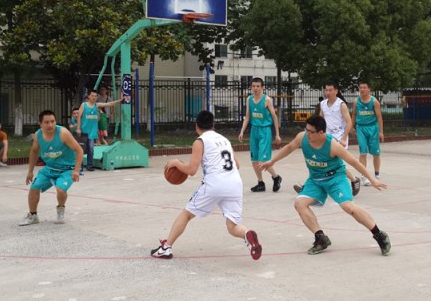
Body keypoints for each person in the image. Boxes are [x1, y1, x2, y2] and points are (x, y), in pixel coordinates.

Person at [259, 115, 391, 256]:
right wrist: (272, 162)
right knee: (299, 203)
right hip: (315, 179)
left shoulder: (333, 146)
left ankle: (379, 234)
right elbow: (289, 147)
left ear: (321, 132)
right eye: (306, 130)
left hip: (336, 178)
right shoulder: (302, 138)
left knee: (349, 207)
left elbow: (354, 162)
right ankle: (320, 238)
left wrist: (372, 179)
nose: (307, 134)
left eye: (311, 132)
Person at [151, 110, 262, 260]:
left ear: (196, 126)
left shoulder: (200, 141)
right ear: (213, 125)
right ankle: (247, 234)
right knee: (232, 226)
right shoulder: (224, 140)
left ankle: (166, 248)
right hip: (235, 183)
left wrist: (176, 163)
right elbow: (237, 165)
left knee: (186, 214)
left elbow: (191, 170)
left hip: (215, 184)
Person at [19, 110, 84, 226]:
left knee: (60, 190)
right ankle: (33, 216)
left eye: (53, 121)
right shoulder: (38, 135)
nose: (50, 125)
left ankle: (60, 208)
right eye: (47, 122)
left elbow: (79, 150)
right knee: (34, 187)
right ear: (40, 124)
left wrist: (76, 171)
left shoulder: (63, 133)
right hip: (49, 168)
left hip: (67, 169)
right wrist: (30, 171)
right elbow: (34, 151)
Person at [294, 84, 361, 195]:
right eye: (326, 90)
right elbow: (320, 120)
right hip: (327, 136)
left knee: (335, 164)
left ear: (336, 91)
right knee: (318, 161)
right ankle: (353, 179)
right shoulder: (323, 104)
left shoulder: (341, 105)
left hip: (339, 136)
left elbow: (349, 122)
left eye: (330, 90)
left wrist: (344, 138)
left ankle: (353, 179)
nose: (328, 92)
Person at [238, 78, 282, 193]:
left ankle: (276, 177)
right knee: (254, 159)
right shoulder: (249, 99)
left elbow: (274, 117)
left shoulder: (267, 100)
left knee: (263, 160)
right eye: (253, 86)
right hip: (254, 130)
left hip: (265, 130)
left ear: (262, 87)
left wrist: (277, 134)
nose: (255, 88)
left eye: (258, 86)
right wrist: (242, 131)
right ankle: (260, 183)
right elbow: (247, 116)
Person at [75, 89, 123, 171]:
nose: (94, 97)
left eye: (95, 96)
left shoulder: (97, 105)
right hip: (84, 131)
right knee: (82, 149)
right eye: (92, 96)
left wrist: (120, 100)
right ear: (89, 96)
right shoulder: (84, 105)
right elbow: (79, 116)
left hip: (92, 132)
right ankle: (80, 166)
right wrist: (78, 128)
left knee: (91, 148)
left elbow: (109, 104)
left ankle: (90, 165)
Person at [350, 81, 384, 185]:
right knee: (363, 152)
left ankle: (377, 175)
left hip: (373, 128)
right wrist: (351, 127)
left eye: (364, 87)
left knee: (376, 153)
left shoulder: (374, 102)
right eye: (360, 87)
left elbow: (379, 117)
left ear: (369, 89)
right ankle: (364, 176)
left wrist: (381, 132)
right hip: (361, 128)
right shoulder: (356, 101)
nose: (362, 89)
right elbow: (354, 115)